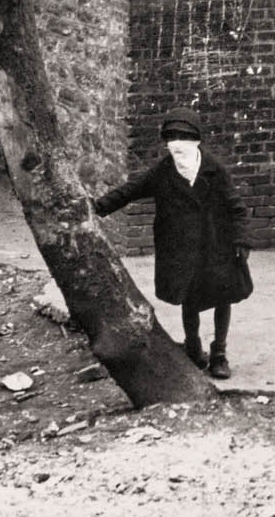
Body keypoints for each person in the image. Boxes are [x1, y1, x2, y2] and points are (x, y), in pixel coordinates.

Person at [93, 107, 252, 378]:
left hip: (216, 245)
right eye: (172, 138)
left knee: (223, 297)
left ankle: (219, 354)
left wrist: (241, 240)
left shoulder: (214, 169)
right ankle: (193, 348)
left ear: (197, 140)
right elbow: (130, 190)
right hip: (181, 249)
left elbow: (236, 207)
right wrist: (97, 206)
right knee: (189, 299)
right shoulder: (163, 172)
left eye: (184, 137)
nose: (177, 143)